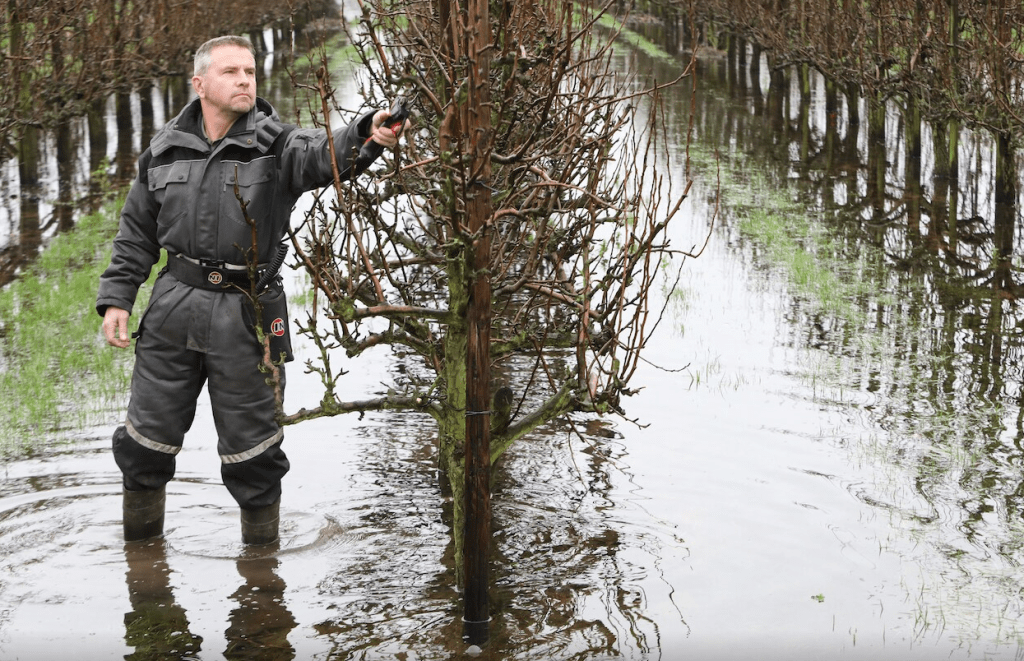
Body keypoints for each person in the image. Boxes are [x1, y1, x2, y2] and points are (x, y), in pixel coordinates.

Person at [97, 35, 406, 545]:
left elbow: (324, 154)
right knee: (143, 446)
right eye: (231, 72)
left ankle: (262, 574)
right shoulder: (164, 149)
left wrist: (365, 135)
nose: (245, 80)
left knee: (254, 458)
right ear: (200, 84)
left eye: (250, 71)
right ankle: (142, 558)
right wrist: (117, 298)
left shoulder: (277, 145)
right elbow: (136, 231)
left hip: (247, 317)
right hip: (172, 308)